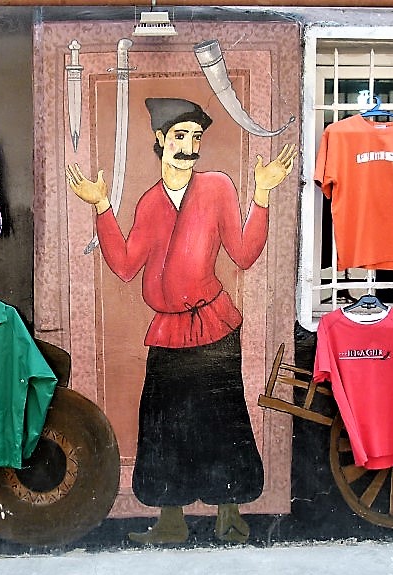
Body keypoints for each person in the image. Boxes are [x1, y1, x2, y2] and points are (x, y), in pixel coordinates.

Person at [66, 98, 296, 544]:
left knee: (222, 419)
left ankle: (229, 516)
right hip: (169, 332)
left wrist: (263, 194)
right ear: (160, 140)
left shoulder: (218, 188)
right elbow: (125, 265)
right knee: (163, 424)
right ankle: (171, 522)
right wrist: (101, 206)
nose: (189, 146)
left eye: (195, 137)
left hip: (214, 327)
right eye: (179, 136)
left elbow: (244, 253)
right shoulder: (150, 202)